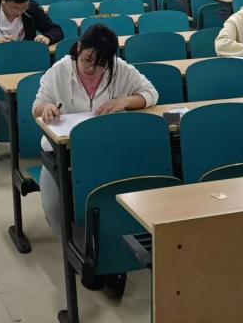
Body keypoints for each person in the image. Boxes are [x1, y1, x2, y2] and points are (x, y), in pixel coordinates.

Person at [32, 23, 158, 296]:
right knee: (57, 209)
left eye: (101, 64)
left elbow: (151, 93)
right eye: (88, 59)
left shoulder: (119, 69)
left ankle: (111, 260)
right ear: (79, 48)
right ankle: (85, 255)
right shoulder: (60, 71)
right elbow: (37, 107)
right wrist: (48, 108)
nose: (92, 68)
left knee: (111, 201)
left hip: (106, 149)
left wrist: (125, 102)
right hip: (63, 152)